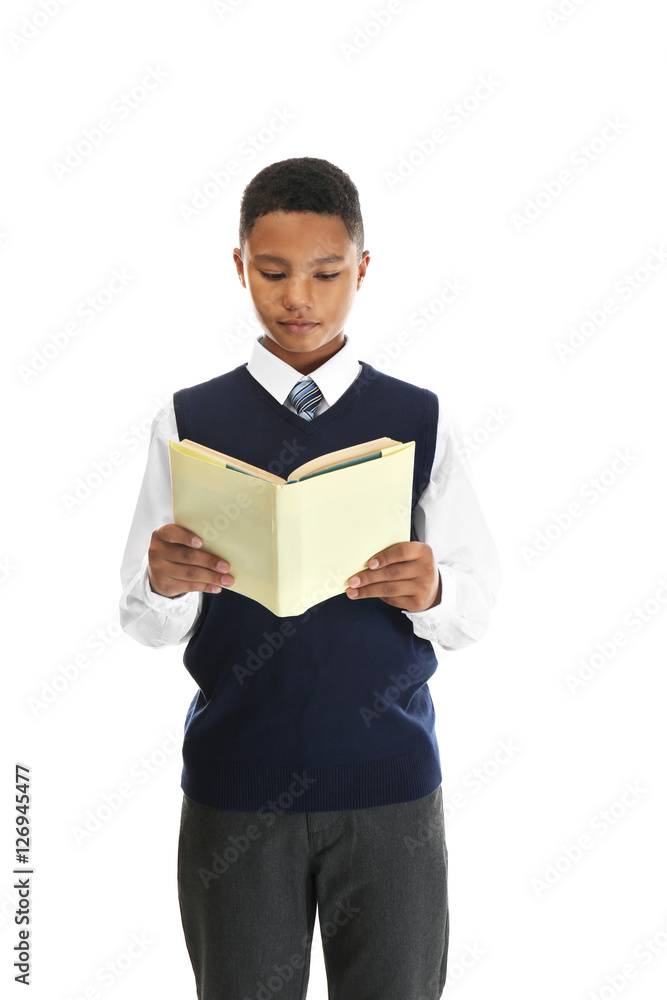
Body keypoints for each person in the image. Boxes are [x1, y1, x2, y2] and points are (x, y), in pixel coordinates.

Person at [119, 156, 501, 1000]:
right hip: (235, 790)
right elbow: (145, 621)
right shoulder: (188, 419)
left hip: (391, 792)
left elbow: (476, 604)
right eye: (274, 271)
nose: (300, 297)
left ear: (361, 269)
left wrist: (433, 588)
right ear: (239, 267)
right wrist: (164, 579)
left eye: (328, 273)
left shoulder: (418, 418)